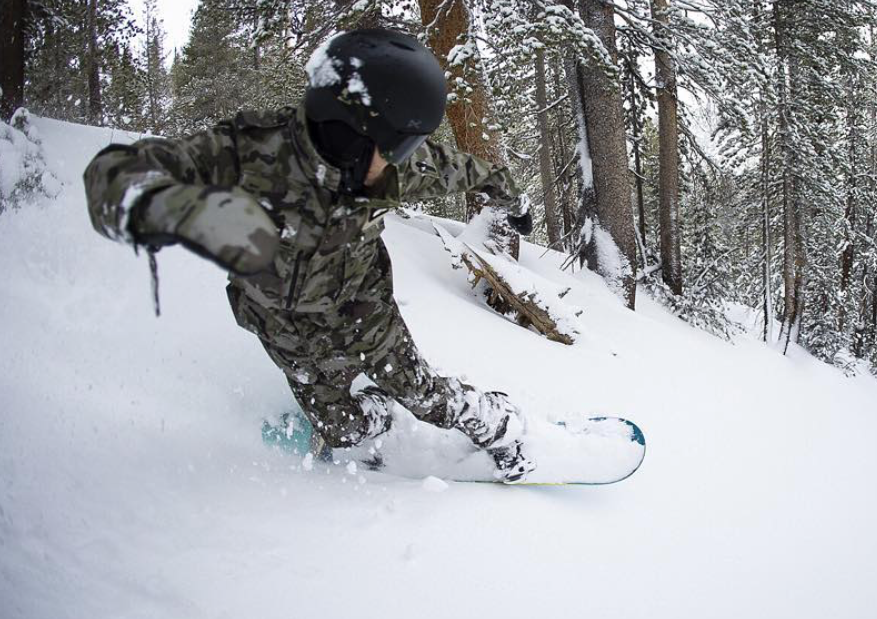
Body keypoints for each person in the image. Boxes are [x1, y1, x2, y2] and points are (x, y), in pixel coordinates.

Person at [83, 28, 537, 481]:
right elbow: (115, 173)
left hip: (363, 313)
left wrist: (516, 206)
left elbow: (477, 174)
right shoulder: (251, 153)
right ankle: (377, 418)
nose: (405, 158)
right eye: (399, 144)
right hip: (285, 330)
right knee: (340, 429)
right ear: (358, 130)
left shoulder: (392, 171)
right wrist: (169, 209)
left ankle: (500, 425)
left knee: (425, 397)